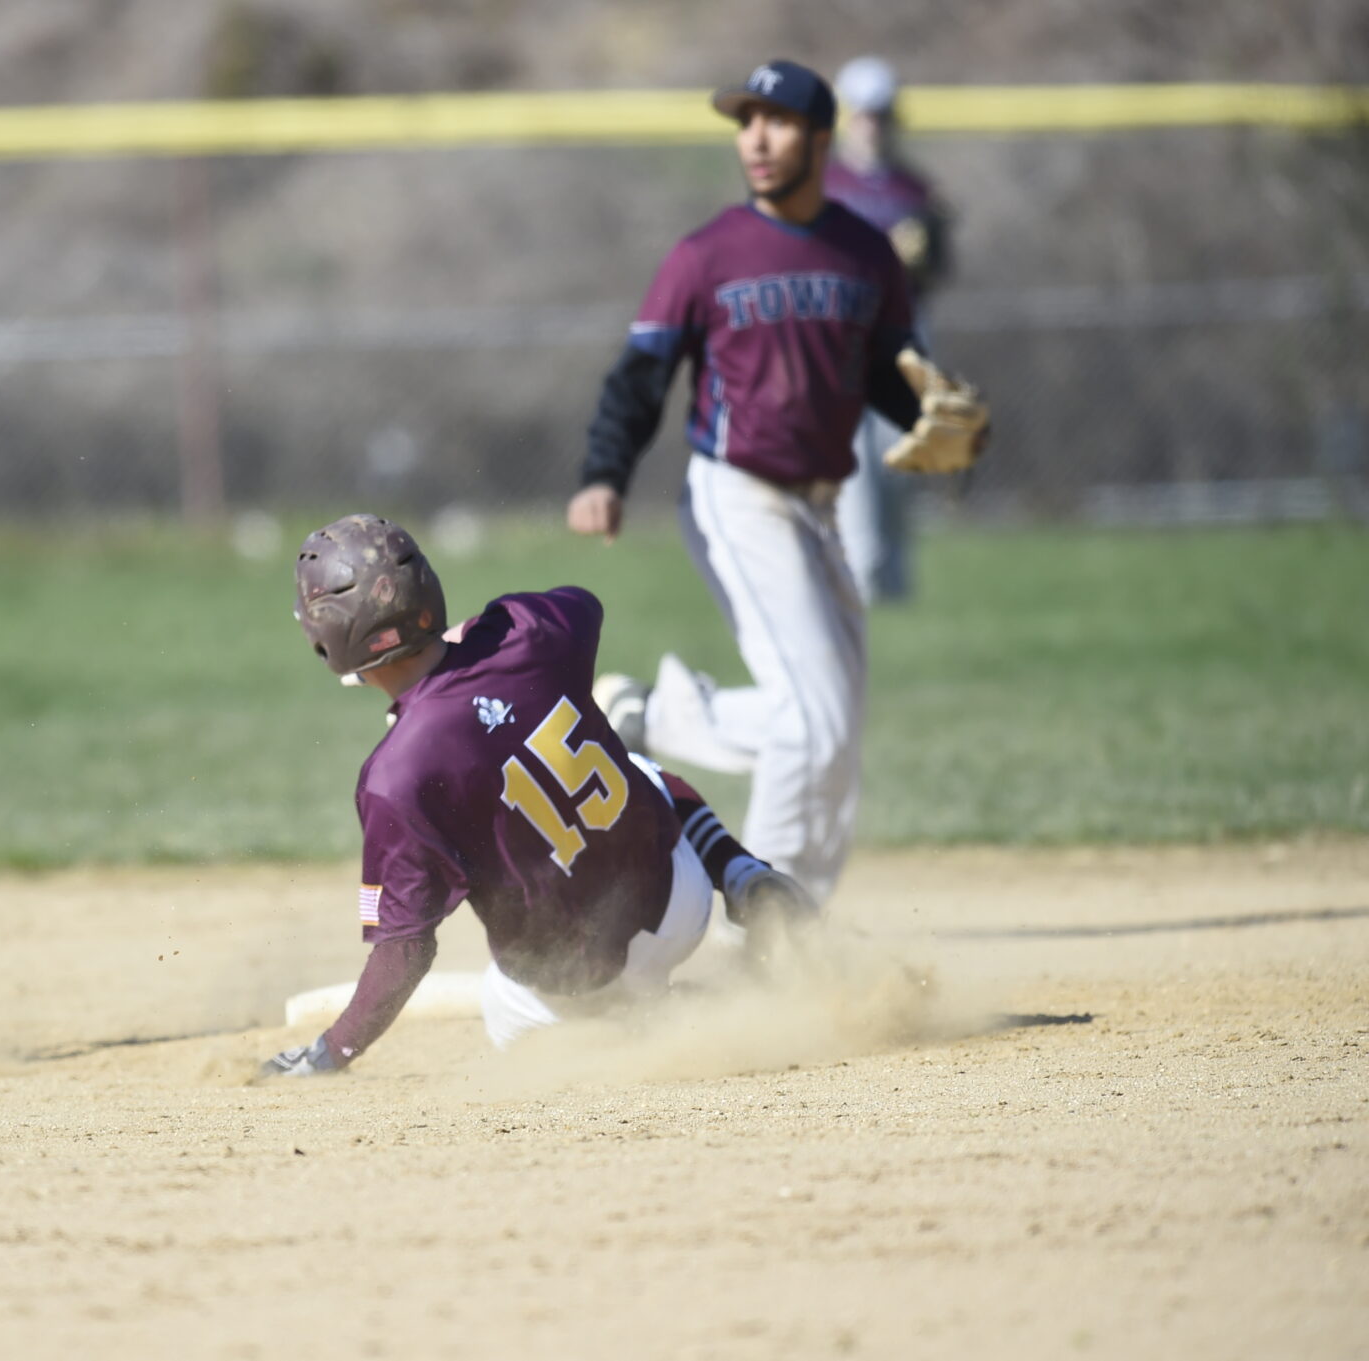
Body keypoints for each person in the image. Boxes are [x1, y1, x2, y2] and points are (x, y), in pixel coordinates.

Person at [566, 60, 982, 903]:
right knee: (813, 715)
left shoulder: (866, 253)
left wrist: (945, 429)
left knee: (835, 725)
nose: (755, 137)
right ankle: (769, 915)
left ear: (820, 138)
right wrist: (605, 472)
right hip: (739, 495)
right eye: (744, 121)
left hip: (821, 504)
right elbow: (642, 374)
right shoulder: (708, 253)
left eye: (777, 120)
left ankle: (680, 739)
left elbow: (890, 378)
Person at [258, 514, 814, 1078]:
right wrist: (474, 639)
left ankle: (667, 1022)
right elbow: (582, 603)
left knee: (506, 1018)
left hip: (578, 984)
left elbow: (406, 951)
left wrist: (333, 1050)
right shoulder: (522, 631)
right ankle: (740, 873)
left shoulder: (393, 778)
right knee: (631, 764)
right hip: (682, 899)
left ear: (329, 638)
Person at [826, 56, 953, 604]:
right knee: (853, 465)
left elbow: (941, 269)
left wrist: (922, 257)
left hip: (900, 336)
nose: (870, 124)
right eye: (861, 113)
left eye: (879, 113)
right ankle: (864, 578)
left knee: (900, 458)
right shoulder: (822, 184)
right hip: (840, 339)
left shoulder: (915, 190)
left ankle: (895, 581)